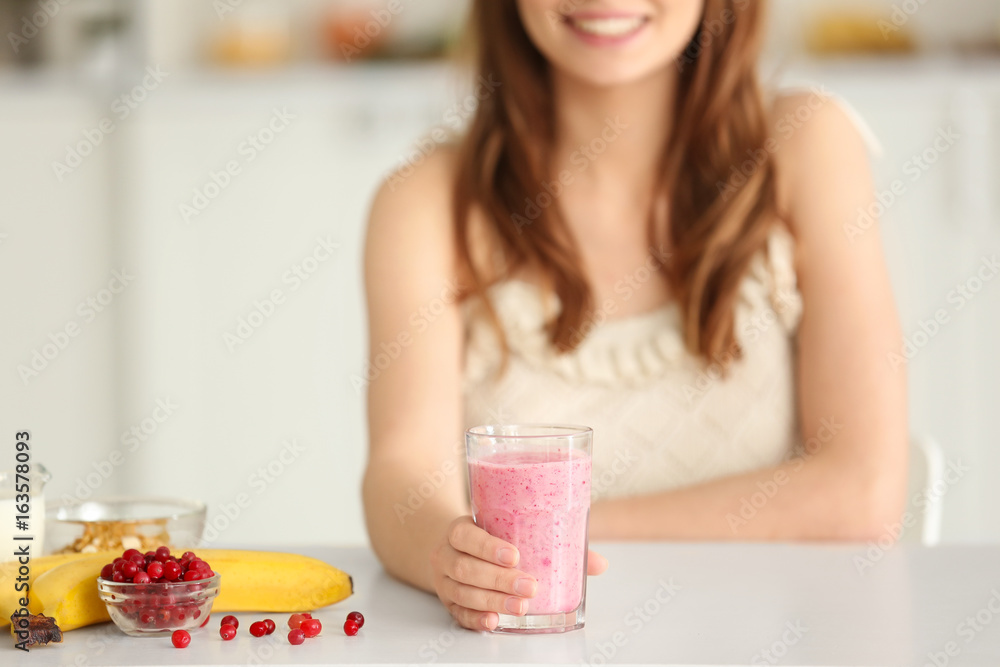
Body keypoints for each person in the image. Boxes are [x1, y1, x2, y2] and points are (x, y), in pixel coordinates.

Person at [362, 0, 908, 632]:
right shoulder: (425, 202)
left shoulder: (807, 145)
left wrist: (560, 531)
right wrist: (447, 554)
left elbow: (863, 493)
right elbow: (400, 475)